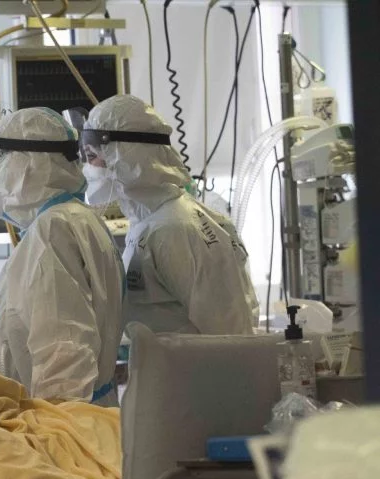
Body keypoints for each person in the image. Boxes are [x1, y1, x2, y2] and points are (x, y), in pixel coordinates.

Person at [0, 107, 125, 406]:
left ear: (28, 164)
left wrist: (53, 427)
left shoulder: (53, 232)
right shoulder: (74, 219)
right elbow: (13, 312)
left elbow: (64, 354)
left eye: (0, 161)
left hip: (63, 418)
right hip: (82, 414)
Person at [81, 94, 259, 335]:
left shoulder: (178, 227)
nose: (88, 168)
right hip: (159, 360)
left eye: (93, 156)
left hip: (190, 362)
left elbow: (231, 335)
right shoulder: (147, 222)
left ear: (125, 154)